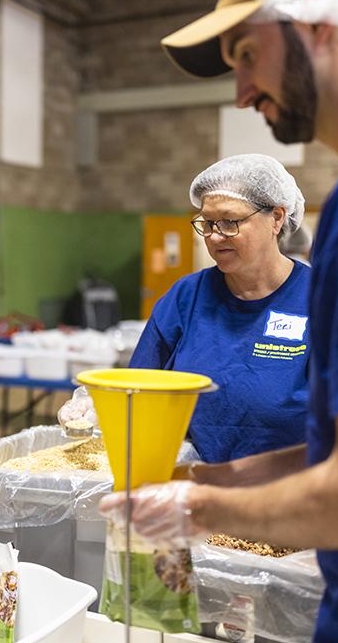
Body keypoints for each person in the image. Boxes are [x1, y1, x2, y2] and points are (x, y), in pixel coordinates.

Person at [101, 0, 338, 641]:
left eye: (246, 54)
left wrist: (199, 508)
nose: (240, 92)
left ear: (316, 25)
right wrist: (225, 475)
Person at [129, 153, 310, 463]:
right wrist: (92, 404)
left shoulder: (323, 299)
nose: (214, 237)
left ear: (277, 218)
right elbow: (138, 387)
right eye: (208, 222)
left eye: (229, 222)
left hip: (291, 493)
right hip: (195, 490)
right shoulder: (186, 297)